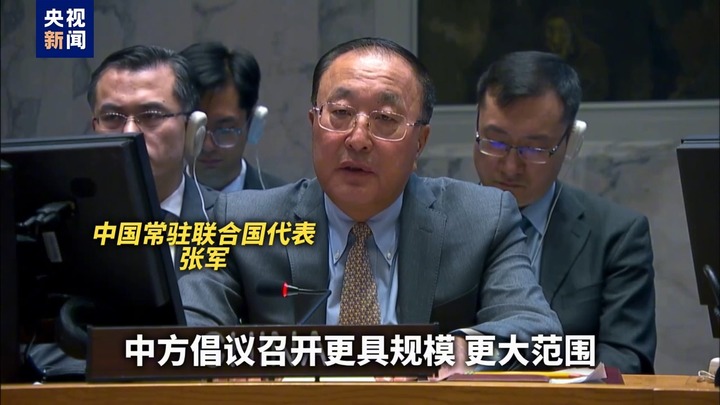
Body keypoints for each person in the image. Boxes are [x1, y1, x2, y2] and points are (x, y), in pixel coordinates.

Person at [179, 37, 562, 376]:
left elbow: (538, 330)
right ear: (313, 124)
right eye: (340, 114)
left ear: (420, 143)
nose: (358, 139)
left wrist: (456, 350)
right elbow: (187, 333)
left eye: (385, 119)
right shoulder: (237, 221)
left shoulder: (482, 219)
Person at [472, 50, 656, 374]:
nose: (510, 166)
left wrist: (523, 364)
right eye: (495, 143)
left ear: (570, 143)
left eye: (533, 149)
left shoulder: (616, 235)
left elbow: (628, 360)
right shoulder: (433, 220)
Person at [87, 45, 219, 269]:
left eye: (151, 115)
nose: (130, 132)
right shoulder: (66, 225)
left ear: (191, 127)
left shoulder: (230, 224)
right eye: (112, 117)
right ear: (95, 128)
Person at [180, 41, 285, 192]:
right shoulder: (154, 202)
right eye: (195, 128)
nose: (207, 146)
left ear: (253, 124)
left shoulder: (286, 202)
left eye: (224, 129)